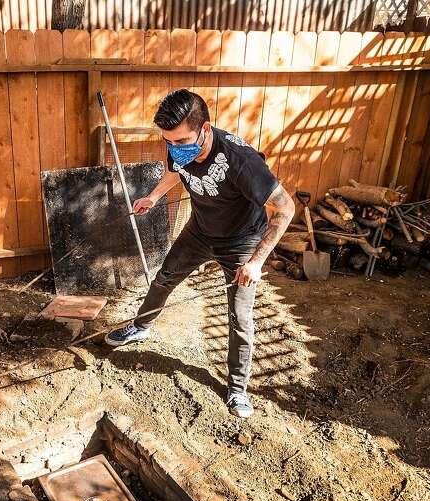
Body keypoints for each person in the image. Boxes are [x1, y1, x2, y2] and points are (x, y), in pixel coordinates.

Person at [105, 89, 295, 418]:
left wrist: (256, 262)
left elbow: (286, 207)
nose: (175, 149)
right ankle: (142, 327)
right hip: (199, 231)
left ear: (204, 129)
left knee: (239, 317)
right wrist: (153, 196)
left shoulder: (241, 161)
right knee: (164, 278)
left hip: (241, 242)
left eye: (181, 142)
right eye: (169, 142)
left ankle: (237, 388)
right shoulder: (178, 147)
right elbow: (175, 171)